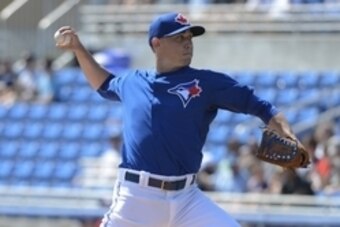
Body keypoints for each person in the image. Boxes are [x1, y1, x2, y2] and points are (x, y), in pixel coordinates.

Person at [55, 12, 306, 227]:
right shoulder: (134, 82)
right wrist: (78, 49)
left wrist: (287, 133)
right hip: (137, 199)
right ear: (157, 44)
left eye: (189, 38)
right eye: (179, 38)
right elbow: (105, 84)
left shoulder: (206, 82)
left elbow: (262, 107)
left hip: (187, 198)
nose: (188, 44)